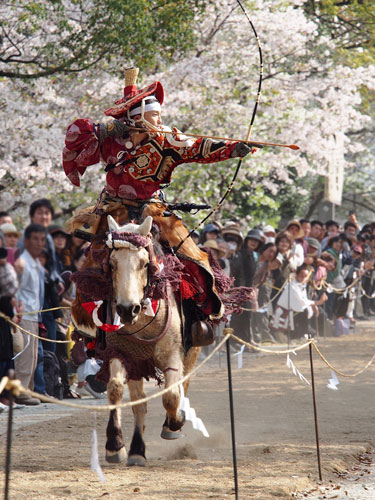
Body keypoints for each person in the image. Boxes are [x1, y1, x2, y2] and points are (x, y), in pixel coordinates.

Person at [62, 66, 256, 343]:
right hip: (112, 209)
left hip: (152, 208)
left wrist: (232, 148)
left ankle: (198, 316)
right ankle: (89, 329)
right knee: (94, 262)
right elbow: (75, 136)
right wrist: (103, 128)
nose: (158, 120)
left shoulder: (167, 140)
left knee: (191, 255)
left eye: (159, 116)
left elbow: (199, 146)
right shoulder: (111, 137)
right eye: (153, 116)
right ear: (136, 118)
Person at [13, 224, 47, 405]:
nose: (39, 243)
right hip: (24, 314)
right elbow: (15, 289)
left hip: (35, 315)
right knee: (25, 355)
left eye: (42, 239)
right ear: (26, 241)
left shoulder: (35, 263)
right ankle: (20, 390)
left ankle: (29, 389)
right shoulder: (22, 263)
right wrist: (16, 312)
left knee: (33, 356)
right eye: (35, 239)